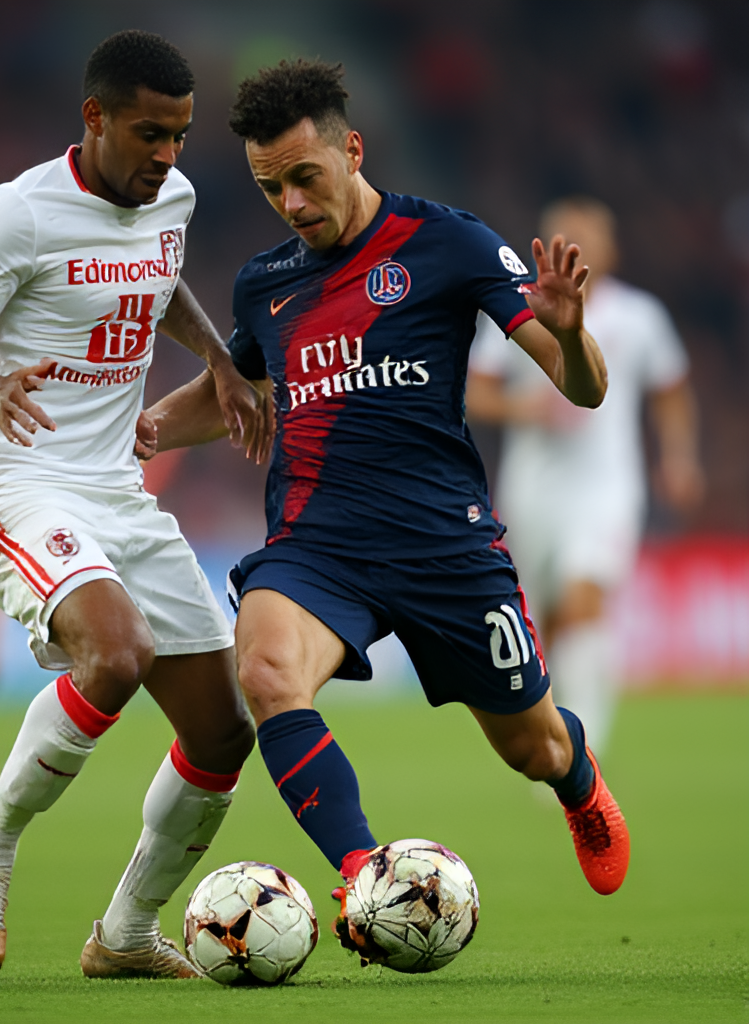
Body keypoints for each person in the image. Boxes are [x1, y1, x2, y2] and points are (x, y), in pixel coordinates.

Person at [142, 59, 631, 960]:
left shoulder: (449, 243)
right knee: (266, 671)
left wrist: (568, 331)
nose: (291, 204)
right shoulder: (264, 283)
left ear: (353, 150)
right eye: (270, 188)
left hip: (445, 547)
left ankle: (577, 774)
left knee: (531, 747)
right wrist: (136, 432)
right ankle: (366, 873)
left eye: (304, 177)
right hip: (317, 544)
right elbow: (232, 393)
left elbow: (581, 387)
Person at [0, 31, 264, 978]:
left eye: (180, 136)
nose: (168, 155)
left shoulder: (172, 197)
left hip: (117, 489)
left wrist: (217, 358)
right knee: (116, 654)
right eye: (150, 134)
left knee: (223, 732)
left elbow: (158, 278)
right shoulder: (17, 214)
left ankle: (124, 935)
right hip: (19, 484)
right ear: (95, 118)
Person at [467, 197, 703, 752]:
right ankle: (554, 740)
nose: (574, 246)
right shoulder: (517, 310)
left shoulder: (639, 317)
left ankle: (583, 746)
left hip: (608, 489)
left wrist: (679, 456)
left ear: (610, 249)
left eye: (586, 237)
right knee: (544, 620)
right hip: (533, 490)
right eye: (562, 236)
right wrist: (524, 408)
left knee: (583, 597)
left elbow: (671, 391)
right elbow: (475, 392)